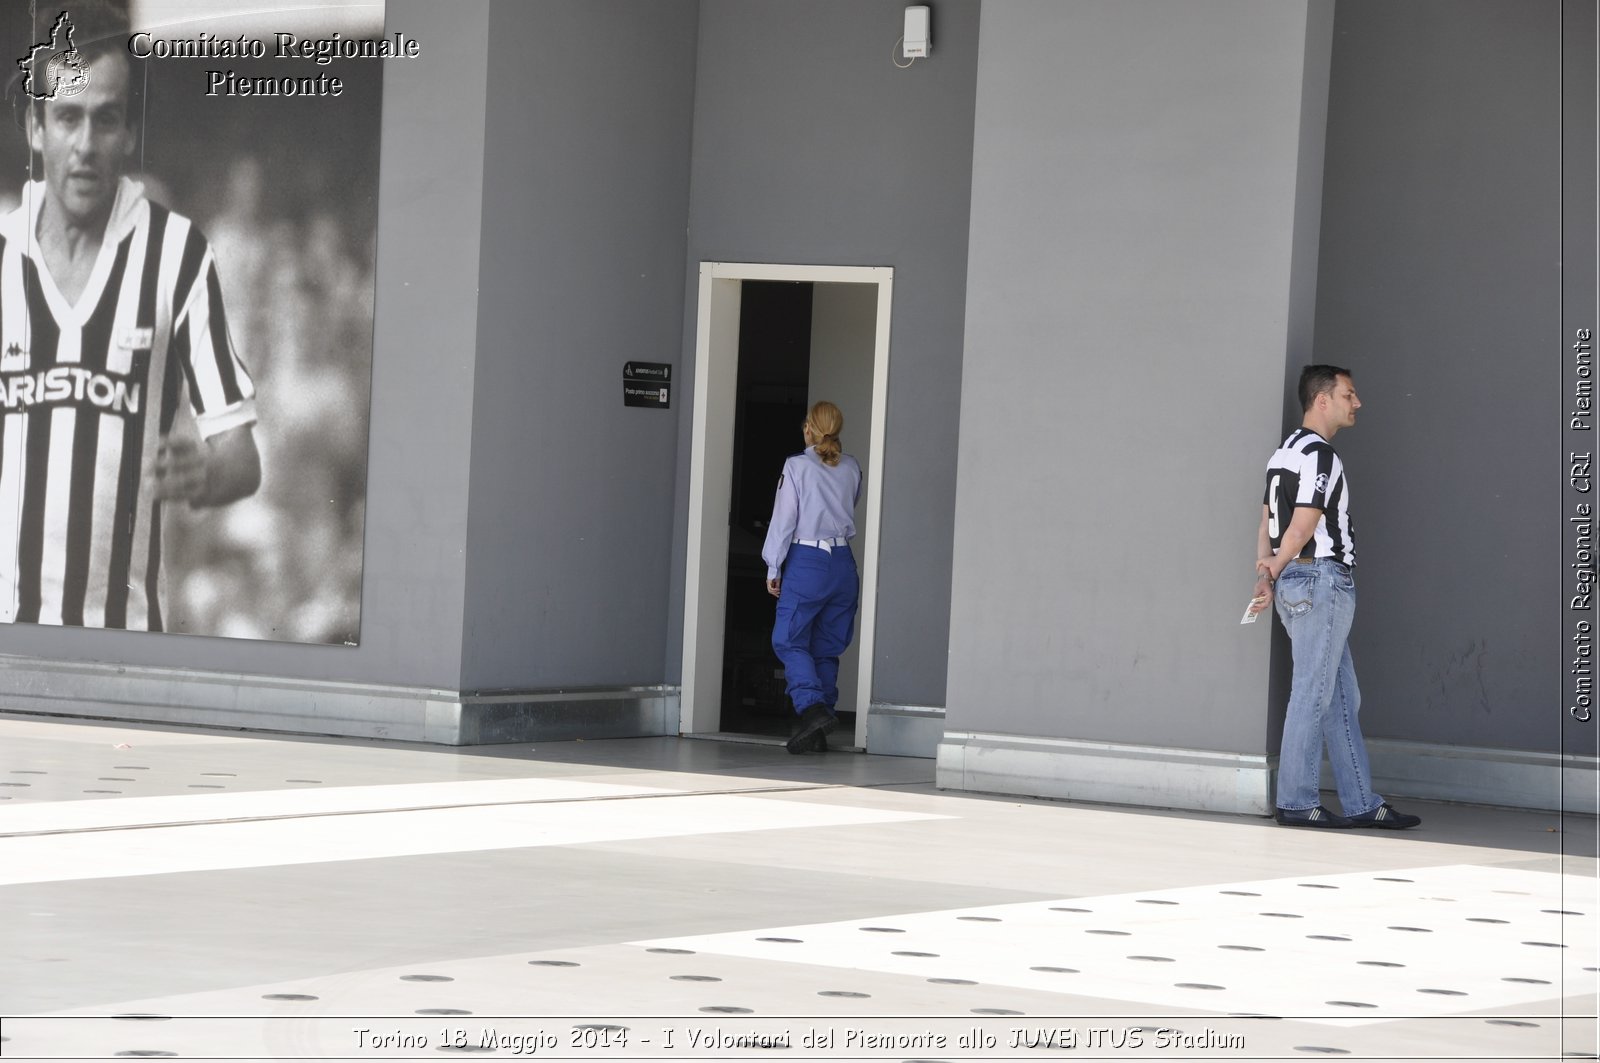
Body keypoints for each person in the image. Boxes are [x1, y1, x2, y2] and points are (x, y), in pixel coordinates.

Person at [0, 5, 261, 631]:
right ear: (36, 126)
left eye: (105, 119)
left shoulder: (178, 254)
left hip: (122, 640)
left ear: (129, 133)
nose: (86, 145)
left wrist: (203, 474)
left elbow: (242, 459)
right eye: (67, 118)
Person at [1248, 365, 1419, 829]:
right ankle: (1297, 801)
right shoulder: (1322, 456)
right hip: (1321, 579)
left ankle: (1363, 801)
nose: (1356, 402)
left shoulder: (1283, 453)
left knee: (1340, 695)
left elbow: (1266, 521)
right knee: (1312, 695)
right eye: (1349, 394)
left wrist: (1266, 574)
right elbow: (1303, 522)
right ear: (1322, 400)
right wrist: (1278, 567)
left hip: (1295, 581)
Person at [763, 400, 862, 754]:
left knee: (788, 639)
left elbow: (784, 520)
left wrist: (774, 565)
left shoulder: (797, 467)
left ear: (808, 428)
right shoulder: (852, 467)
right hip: (843, 564)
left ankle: (812, 708)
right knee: (826, 646)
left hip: (808, 560)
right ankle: (819, 728)